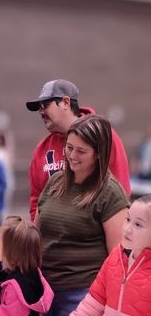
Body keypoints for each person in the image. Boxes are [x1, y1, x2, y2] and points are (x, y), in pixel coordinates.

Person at [35, 114, 129, 316]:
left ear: (98, 153)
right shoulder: (55, 182)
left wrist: (103, 307)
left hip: (82, 297)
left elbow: (118, 259)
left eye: (81, 151)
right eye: (69, 148)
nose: (72, 156)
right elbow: (36, 233)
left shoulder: (110, 193)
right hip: (44, 290)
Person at [39, 195, 151, 316]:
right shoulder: (116, 257)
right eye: (128, 219)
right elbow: (92, 304)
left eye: (138, 224)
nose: (128, 228)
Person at [26, 78, 130, 220]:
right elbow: (36, 201)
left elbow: (121, 191)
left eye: (45, 105)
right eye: (39, 107)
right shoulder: (41, 149)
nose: (41, 112)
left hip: (94, 230)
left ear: (65, 103)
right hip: (51, 231)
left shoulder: (103, 135)